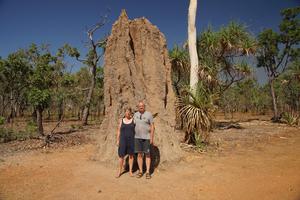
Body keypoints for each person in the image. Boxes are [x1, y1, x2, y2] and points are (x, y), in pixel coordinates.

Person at [134, 101, 154, 179]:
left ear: (144, 106)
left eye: (142, 106)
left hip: (147, 137)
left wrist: (152, 137)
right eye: (139, 106)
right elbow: (132, 124)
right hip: (137, 137)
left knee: (147, 155)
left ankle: (148, 172)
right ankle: (141, 171)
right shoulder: (135, 115)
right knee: (139, 155)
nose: (141, 107)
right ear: (138, 107)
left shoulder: (149, 114)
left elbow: (152, 126)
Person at [116, 107, 135, 178]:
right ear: (124, 112)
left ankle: (130, 171)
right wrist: (117, 140)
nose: (127, 113)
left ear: (130, 112)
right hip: (123, 141)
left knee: (131, 156)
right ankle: (119, 171)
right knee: (121, 156)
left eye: (129, 111)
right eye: (126, 111)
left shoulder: (133, 120)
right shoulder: (121, 120)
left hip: (131, 141)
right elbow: (118, 131)